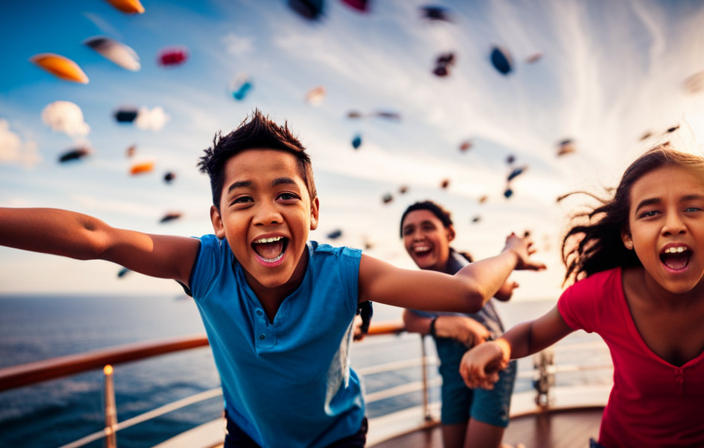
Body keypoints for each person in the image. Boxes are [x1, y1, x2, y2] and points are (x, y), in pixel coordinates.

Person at [0, 110, 545, 448]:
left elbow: (470, 290)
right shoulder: (203, 264)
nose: (265, 214)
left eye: (286, 195)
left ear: (313, 210)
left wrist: (509, 251)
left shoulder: (346, 271)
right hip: (249, 437)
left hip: (338, 437)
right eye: (242, 200)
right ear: (217, 221)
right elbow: (95, 235)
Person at [459, 143, 704, 448]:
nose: (673, 225)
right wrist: (502, 346)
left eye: (693, 208)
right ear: (627, 235)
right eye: (651, 212)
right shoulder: (600, 295)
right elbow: (534, 332)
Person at [400, 201, 519, 448]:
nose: (418, 236)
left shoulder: (464, 268)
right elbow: (409, 318)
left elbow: (493, 290)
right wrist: (446, 325)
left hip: (491, 359)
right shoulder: (417, 283)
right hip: (452, 370)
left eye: (427, 227)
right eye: (409, 231)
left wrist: (508, 279)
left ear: (450, 234)